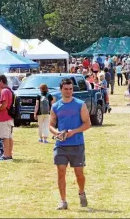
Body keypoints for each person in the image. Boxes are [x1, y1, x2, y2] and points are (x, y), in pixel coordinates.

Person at [50, 78, 91, 210]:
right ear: (61, 90)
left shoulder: (80, 104)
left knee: (79, 174)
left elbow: (87, 124)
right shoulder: (55, 106)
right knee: (61, 172)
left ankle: (81, 192)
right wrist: (57, 133)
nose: (68, 91)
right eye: (66, 89)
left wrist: (74, 131)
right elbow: (50, 125)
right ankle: (63, 201)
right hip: (61, 145)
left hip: (77, 144)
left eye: (71, 89)